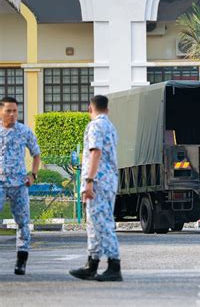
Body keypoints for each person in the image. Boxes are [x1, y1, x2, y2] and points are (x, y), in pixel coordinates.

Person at [69, 95, 122, 282]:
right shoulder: (110, 127)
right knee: (93, 223)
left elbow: (95, 152)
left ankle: (114, 265)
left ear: (89, 109)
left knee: (102, 223)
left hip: (98, 181)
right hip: (108, 182)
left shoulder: (95, 126)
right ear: (107, 109)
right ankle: (92, 264)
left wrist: (89, 180)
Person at [0, 97, 41, 275]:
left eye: (15, 111)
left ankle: (21, 260)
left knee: (23, 222)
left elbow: (36, 153)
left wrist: (33, 174)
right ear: (1, 112)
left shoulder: (24, 131)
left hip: (19, 184)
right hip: (0, 182)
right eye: (8, 110)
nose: (12, 114)